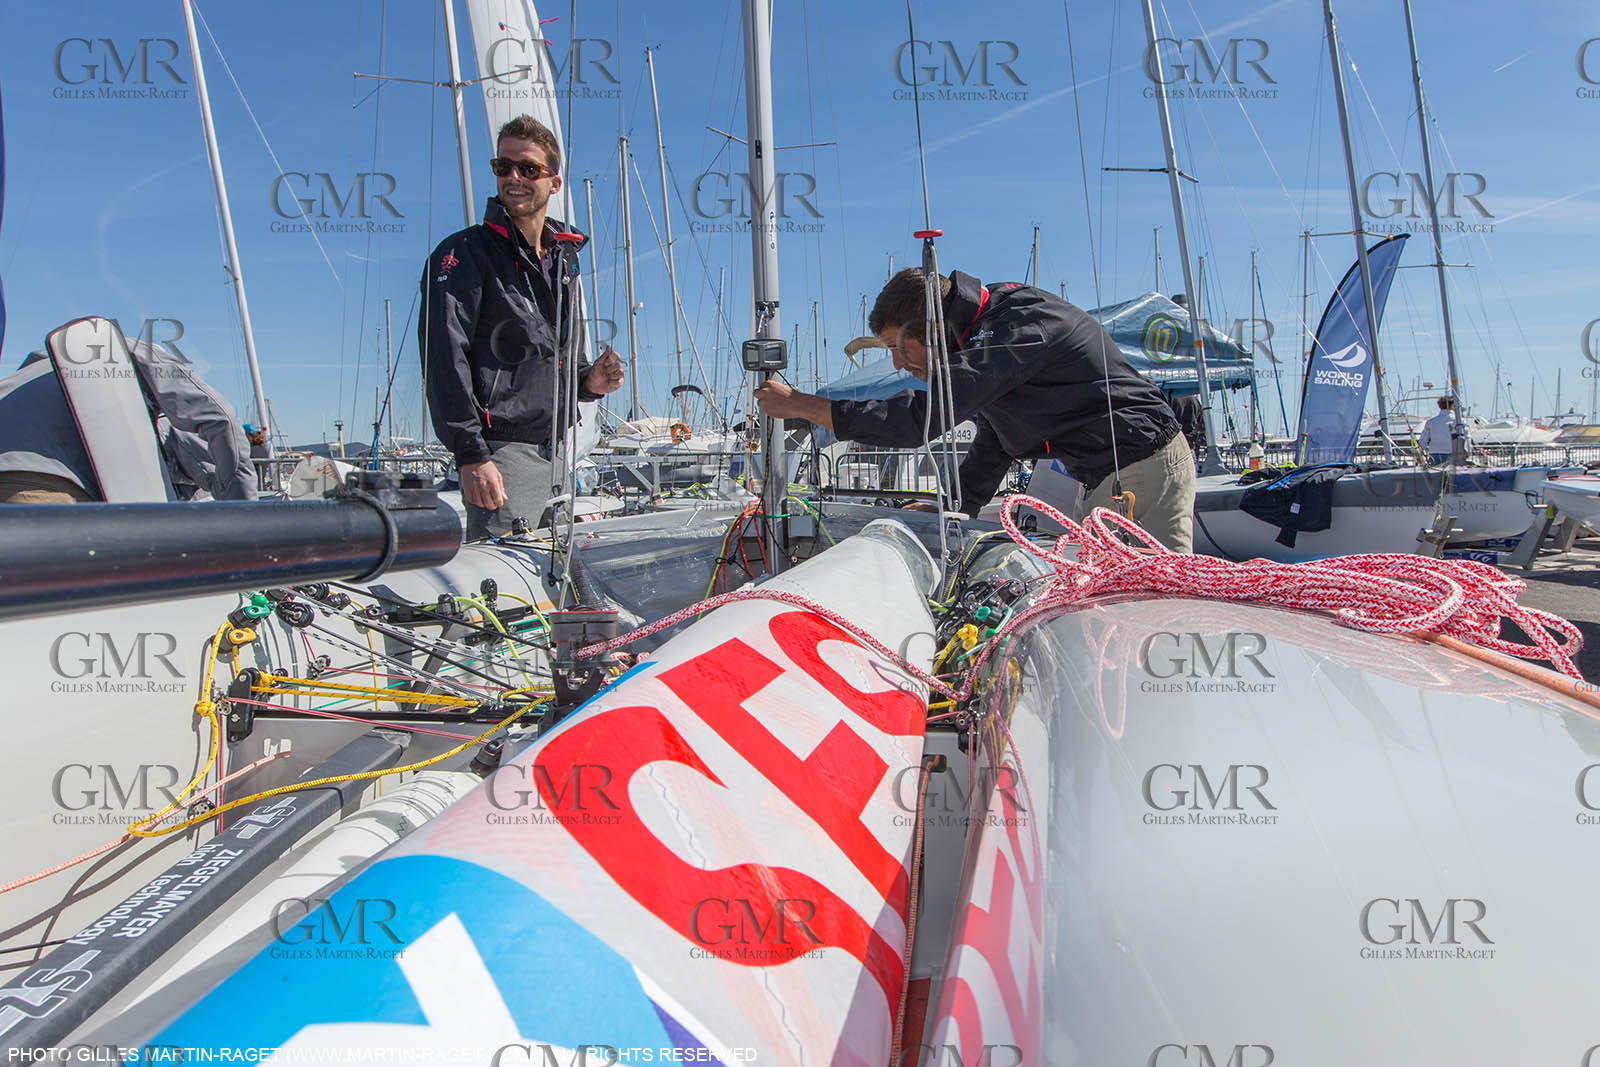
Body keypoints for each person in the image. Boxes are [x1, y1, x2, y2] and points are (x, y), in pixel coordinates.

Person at [753, 268, 1197, 551]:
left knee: (1141, 605)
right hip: (1113, 472)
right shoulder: (989, 333)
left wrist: (804, 406)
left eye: (897, 348)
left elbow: (922, 418)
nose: (898, 365)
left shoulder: (1018, 325)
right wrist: (956, 506)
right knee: (1101, 598)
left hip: (1139, 466)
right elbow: (997, 439)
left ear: (930, 328)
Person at [419, 115, 624, 539]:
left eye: (528, 169)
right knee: (507, 579)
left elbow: (556, 362)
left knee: (560, 575)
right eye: (503, 166)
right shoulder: (464, 253)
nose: (513, 177)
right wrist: (471, 454)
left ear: (554, 183)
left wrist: (590, 382)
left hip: (557, 454)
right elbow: (444, 359)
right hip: (501, 456)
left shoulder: (562, 260)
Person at [0, 336, 257, 503]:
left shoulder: (28, 376)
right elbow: (218, 418)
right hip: (47, 483)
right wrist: (244, 510)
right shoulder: (129, 353)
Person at [1420, 396, 1455, 465]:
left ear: (1439, 406)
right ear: (1452, 405)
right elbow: (1466, 438)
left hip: (1435, 454)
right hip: (1454, 454)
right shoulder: (1459, 422)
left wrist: (1419, 453)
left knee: (1435, 471)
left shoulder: (1431, 422)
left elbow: (1423, 440)